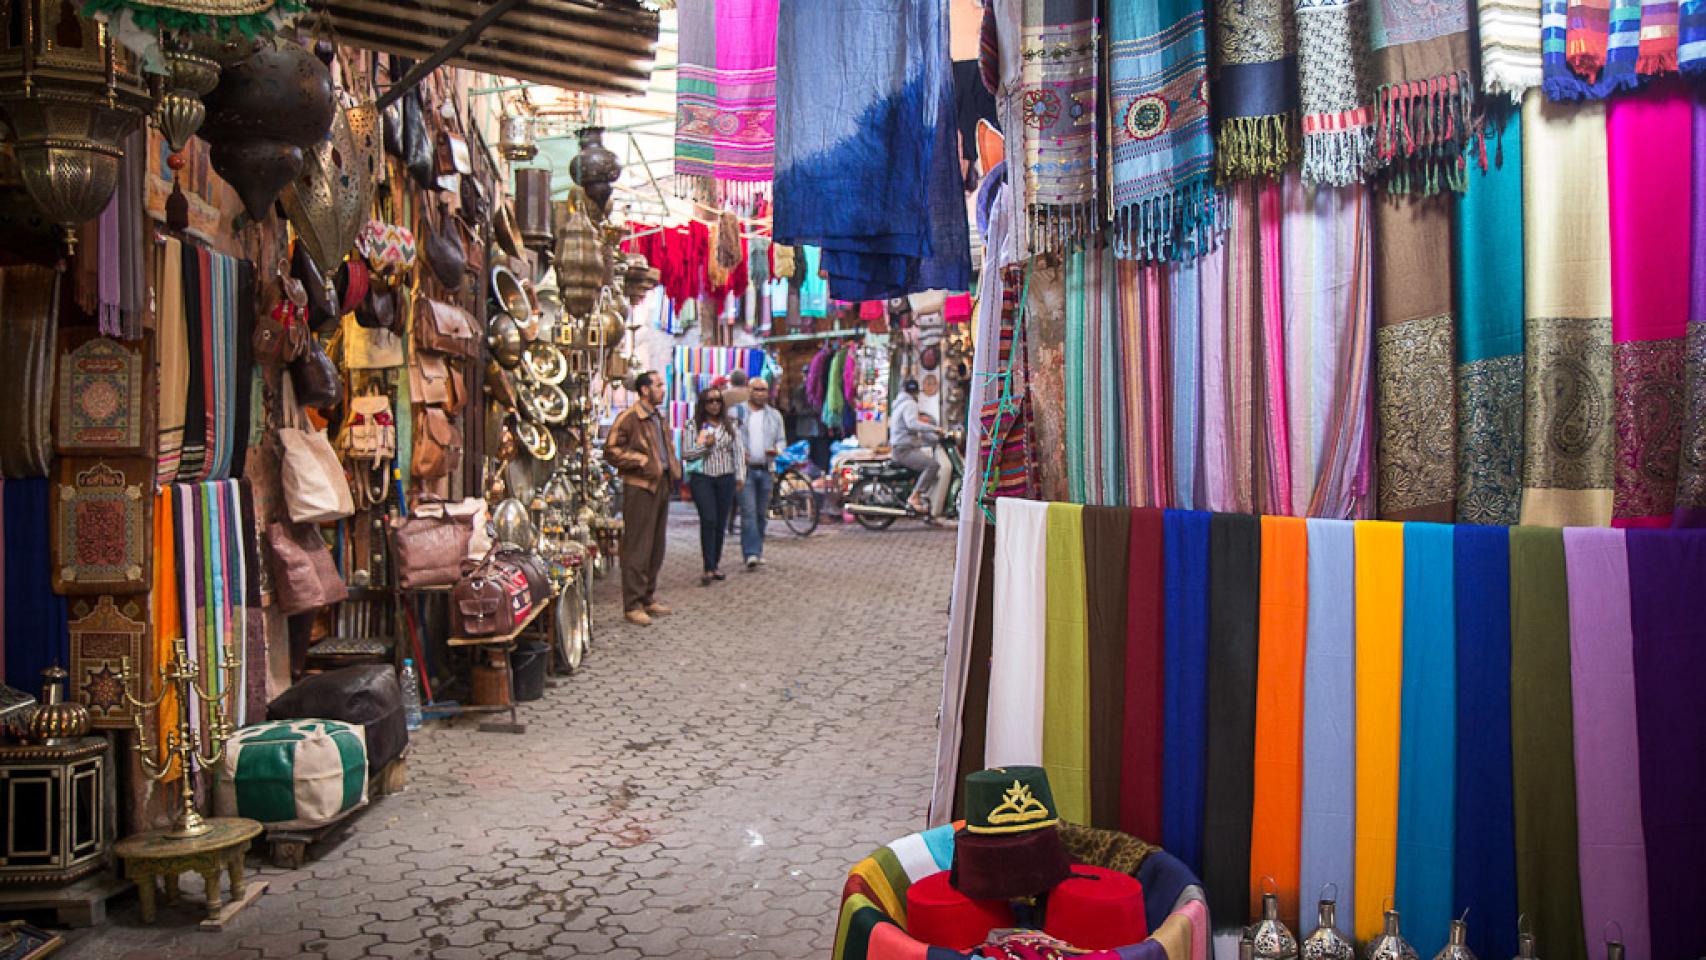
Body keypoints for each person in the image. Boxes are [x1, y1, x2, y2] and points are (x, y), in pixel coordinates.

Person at [603, 371, 681, 626]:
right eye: (658, 385)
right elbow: (611, 449)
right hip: (640, 487)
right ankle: (633, 604)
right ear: (645, 389)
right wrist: (641, 461)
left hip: (661, 484)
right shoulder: (630, 417)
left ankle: (648, 597)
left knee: (656, 546)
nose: (663, 389)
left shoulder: (658, 417)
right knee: (638, 546)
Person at [682, 386, 741, 586]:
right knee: (709, 518)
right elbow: (686, 453)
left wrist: (740, 476)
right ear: (703, 404)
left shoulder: (730, 424)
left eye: (717, 400)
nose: (714, 405)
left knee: (720, 521)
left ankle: (715, 564)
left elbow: (738, 451)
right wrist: (704, 447)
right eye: (710, 401)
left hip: (726, 477)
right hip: (702, 477)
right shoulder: (693, 425)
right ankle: (708, 566)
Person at [731, 377, 787, 570]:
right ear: (749, 390)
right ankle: (751, 553)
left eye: (764, 390)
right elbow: (728, 438)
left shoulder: (774, 416)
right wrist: (739, 452)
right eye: (757, 389)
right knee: (748, 512)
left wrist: (776, 450)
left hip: (765, 469)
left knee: (761, 513)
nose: (761, 394)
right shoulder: (737, 412)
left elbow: (781, 440)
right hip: (745, 470)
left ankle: (758, 550)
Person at [889, 378, 943, 515]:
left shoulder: (899, 403)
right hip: (904, 450)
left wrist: (934, 438)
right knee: (932, 465)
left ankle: (923, 499)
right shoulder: (910, 404)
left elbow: (915, 430)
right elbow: (912, 424)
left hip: (900, 448)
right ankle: (915, 496)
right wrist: (934, 429)